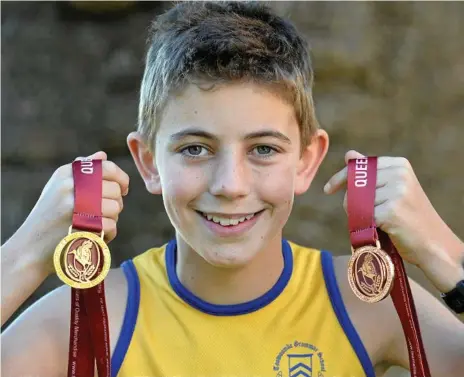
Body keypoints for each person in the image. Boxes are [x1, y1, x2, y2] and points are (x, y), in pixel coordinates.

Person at [2, 2, 463, 377]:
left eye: (263, 149)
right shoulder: (92, 316)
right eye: (196, 149)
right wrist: (21, 258)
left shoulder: (364, 302)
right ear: (148, 161)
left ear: (306, 160)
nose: (230, 185)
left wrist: (446, 255)